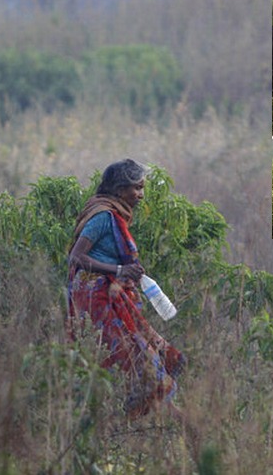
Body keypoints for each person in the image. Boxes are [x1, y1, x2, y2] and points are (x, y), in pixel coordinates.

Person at [67, 159, 186, 420]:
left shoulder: (115, 215)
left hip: (109, 298)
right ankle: (157, 417)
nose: (141, 195)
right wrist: (119, 271)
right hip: (97, 302)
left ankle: (139, 419)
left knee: (134, 356)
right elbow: (76, 258)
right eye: (137, 188)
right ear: (120, 189)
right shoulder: (102, 217)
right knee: (129, 356)